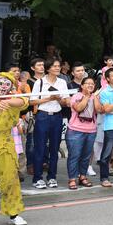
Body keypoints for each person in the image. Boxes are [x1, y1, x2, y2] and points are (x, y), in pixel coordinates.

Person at [30, 58, 70, 189]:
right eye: (55, 66)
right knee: (40, 148)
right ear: (48, 68)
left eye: (59, 66)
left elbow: (66, 102)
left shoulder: (62, 82)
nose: (58, 68)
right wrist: (49, 98)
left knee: (54, 148)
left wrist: (60, 100)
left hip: (57, 117)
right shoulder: (40, 82)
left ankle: (52, 177)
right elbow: (32, 101)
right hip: (42, 116)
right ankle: (37, 178)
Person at [0, 71, 29, 225]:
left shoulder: (13, 100)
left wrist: (8, 101)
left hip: (5, 144)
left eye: (6, 83)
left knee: (10, 179)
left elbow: (24, 101)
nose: (3, 86)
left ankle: (14, 214)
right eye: (0, 83)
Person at [65, 77, 98, 189]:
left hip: (91, 130)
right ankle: (72, 179)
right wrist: (87, 97)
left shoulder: (95, 96)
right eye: (87, 83)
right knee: (74, 156)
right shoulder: (76, 96)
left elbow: (99, 110)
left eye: (92, 83)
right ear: (82, 86)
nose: (90, 85)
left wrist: (95, 97)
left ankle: (82, 176)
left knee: (86, 156)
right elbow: (78, 108)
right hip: (75, 130)